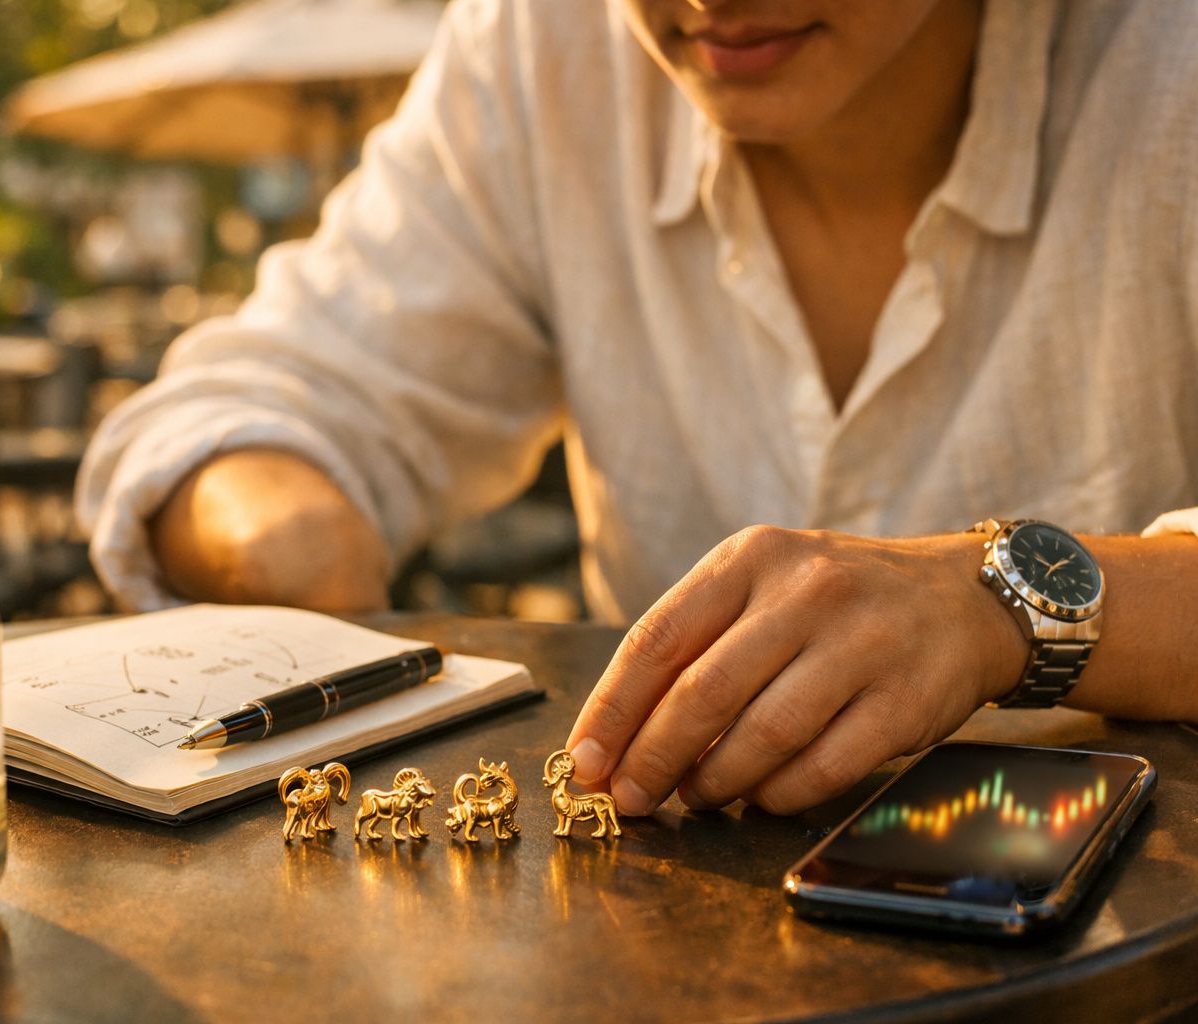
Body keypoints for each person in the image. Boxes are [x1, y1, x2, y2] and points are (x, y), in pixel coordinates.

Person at [77, 0, 1198, 818]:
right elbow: (243, 408)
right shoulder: (544, 49)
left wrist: (998, 605)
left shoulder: (1166, 61)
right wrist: (301, 555)